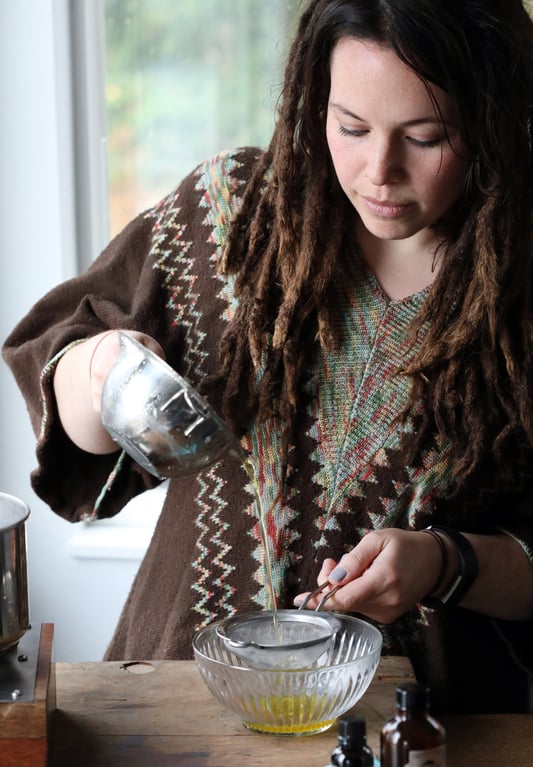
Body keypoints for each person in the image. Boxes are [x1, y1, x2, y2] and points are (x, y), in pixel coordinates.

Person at [3, 0, 533, 715]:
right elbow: (66, 386)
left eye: (425, 136)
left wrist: (445, 561)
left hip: (414, 724)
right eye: (349, 126)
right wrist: (100, 371)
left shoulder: (517, 293)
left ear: (491, 122)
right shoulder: (230, 220)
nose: (379, 170)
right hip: (179, 702)